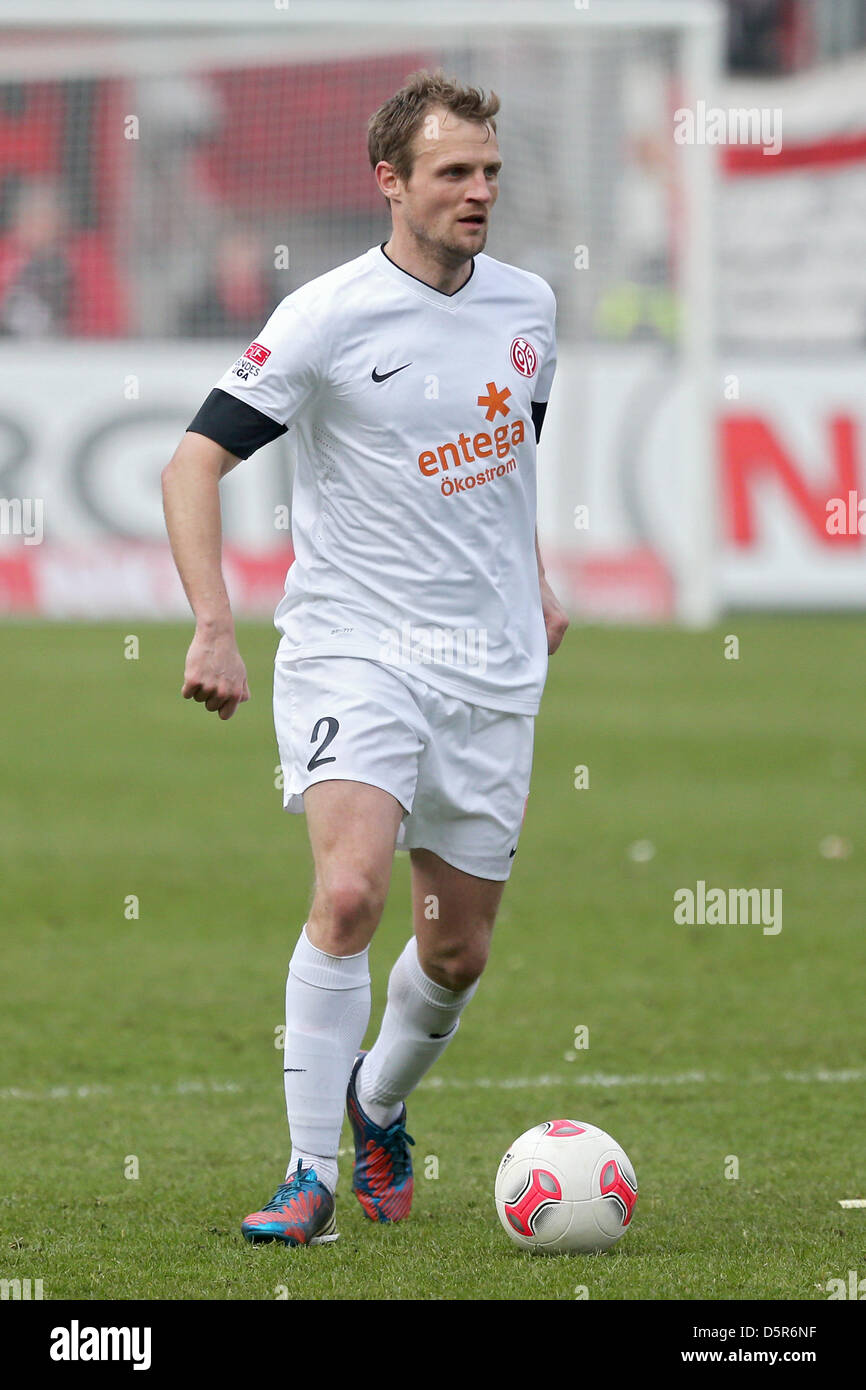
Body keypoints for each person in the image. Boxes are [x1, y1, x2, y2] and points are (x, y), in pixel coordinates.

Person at [161, 69, 568, 1248]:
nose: (477, 191)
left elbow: (507, 463)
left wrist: (529, 576)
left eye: (488, 170)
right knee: (347, 892)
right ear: (389, 182)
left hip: (488, 666)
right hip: (356, 646)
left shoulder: (531, 307)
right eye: (453, 172)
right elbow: (193, 465)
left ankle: (376, 1101)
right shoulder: (326, 316)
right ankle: (305, 1175)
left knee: (454, 948)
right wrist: (211, 622)